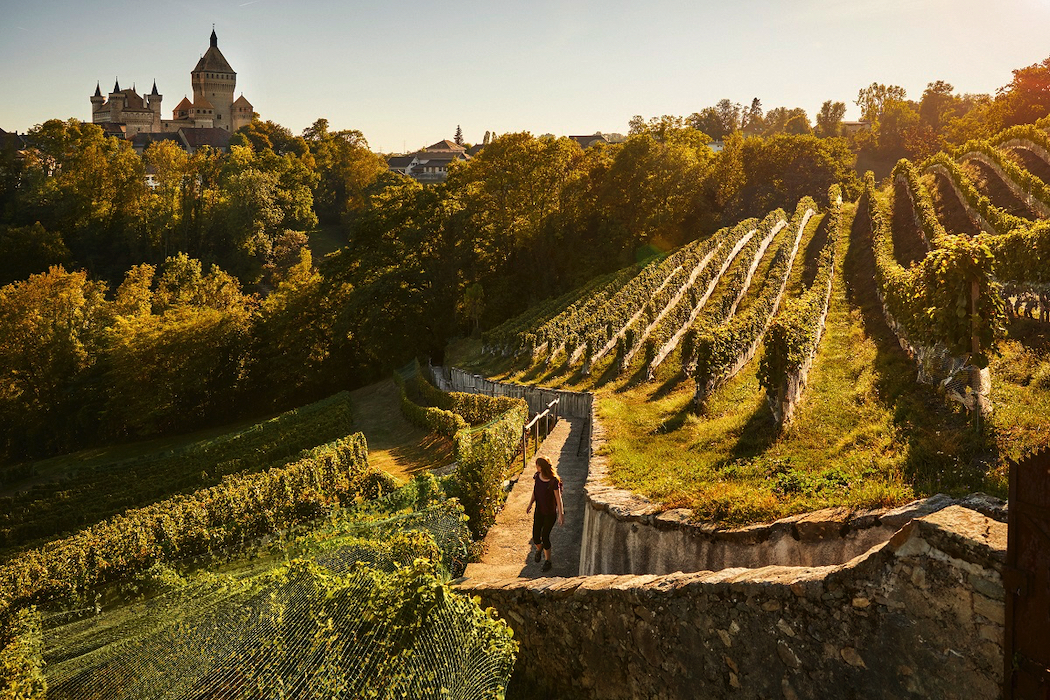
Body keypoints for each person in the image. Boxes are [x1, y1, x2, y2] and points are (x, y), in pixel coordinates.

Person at [525, 456, 564, 572]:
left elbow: (558, 499)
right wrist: (530, 504)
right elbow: (535, 491)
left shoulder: (553, 481)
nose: (536, 467)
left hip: (550, 514)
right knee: (536, 537)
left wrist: (561, 514)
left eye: (537, 465)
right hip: (539, 512)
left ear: (541, 467)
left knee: (545, 536)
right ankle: (539, 548)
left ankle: (548, 561)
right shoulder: (537, 476)